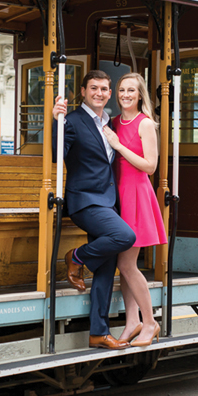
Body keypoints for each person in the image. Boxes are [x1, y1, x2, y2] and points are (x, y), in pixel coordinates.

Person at [53, 70, 136, 351]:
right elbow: (56, 155)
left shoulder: (109, 123)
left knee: (107, 266)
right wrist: (57, 122)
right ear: (83, 91)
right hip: (84, 201)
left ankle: (98, 333)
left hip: (108, 201)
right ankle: (75, 257)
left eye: (104, 89)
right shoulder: (72, 121)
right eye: (93, 88)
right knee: (125, 236)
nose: (99, 93)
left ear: (109, 94)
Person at [103, 73, 166, 348]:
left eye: (131, 90)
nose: (125, 94)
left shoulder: (146, 124)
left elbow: (150, 166)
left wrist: (118, 145)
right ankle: (132, 321)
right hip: (117, 195)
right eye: (121, 90)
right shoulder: (113, 122)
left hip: (137, 194)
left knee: (126, 264)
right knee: (123, 265)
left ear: (140, 96)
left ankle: (149, 322)